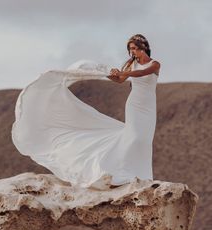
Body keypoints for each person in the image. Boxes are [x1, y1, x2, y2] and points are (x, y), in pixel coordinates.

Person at [11, 34, 160, 188]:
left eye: (135, 48)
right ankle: (124, 173)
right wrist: (109, 74)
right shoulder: (132, 65)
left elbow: (143, 73)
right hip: (134, 104)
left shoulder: (155, 64)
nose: (132, 52)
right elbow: (120, 81)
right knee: (134, 135)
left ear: (144, 47)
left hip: (148, 106)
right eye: (130, 49)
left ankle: (143, 174)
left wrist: (125, 73)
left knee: (144, 138)